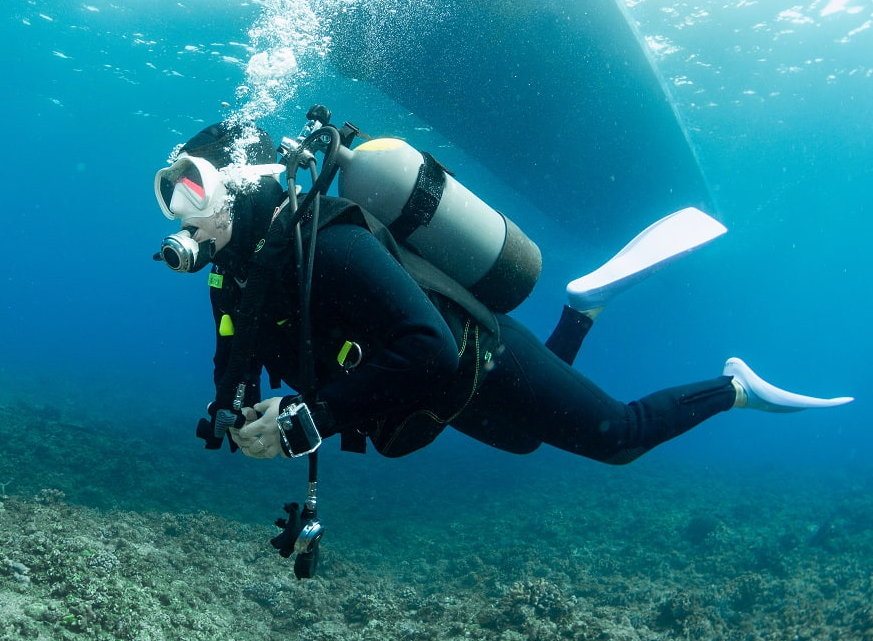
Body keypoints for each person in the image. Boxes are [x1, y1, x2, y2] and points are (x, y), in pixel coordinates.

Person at [153, 119, 853, 466]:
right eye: (174, 197)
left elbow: (426, 345)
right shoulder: (234, 270)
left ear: (241, 187)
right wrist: (228, 407)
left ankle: (735, 387)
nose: (183, 218)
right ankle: (581, 310)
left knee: (618, 438)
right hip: (433, 395)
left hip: (475, 352)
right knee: (524, 441)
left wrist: (309, 420)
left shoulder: (330, 242)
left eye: (193, 192)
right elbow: (234, 352)